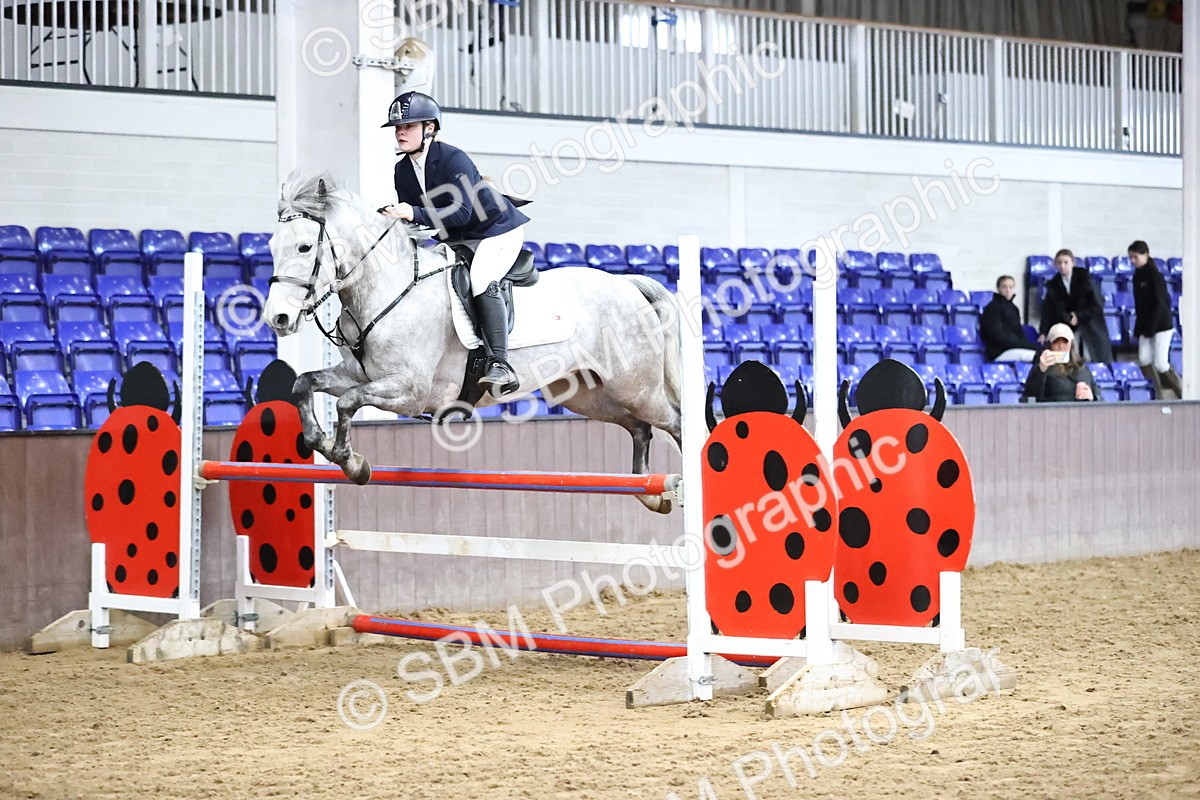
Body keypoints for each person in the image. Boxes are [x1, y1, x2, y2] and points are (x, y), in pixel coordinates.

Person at [378, 91, 530, 396]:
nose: (400, 133)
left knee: (481, 278)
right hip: (458, 237)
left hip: (495, 230)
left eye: (408, 126)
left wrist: (414, 211)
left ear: (430, 128)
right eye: (398, 128)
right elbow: (421, 221)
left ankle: (500, 363)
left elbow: (461, 212)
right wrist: (396, 221)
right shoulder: (402, 170)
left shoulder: (452, 158)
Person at [1039, 248, 1113, 365]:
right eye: (1059, 263)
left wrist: (1079, 316)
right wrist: (1043, 331)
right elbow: (1048, 310)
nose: (1062, 266)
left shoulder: (1086, 280)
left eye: (1066, 262)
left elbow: (1097, 304)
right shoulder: (1053, 285)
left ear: (1073, 263)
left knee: (1095, 356)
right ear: (1055, 264)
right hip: (1067, 324)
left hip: (1090, 322)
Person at [1128, 240, 1182, 399]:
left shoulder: (1154, 275)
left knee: (1160, 363)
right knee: (1144, 359)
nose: (1132, 261)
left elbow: (1160, 302)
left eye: (1135, 257)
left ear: (1146, 255)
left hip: (1161, 324)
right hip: (1146, 323)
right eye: (1131, 257)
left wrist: (1152, 326)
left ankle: (1181, 392)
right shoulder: (1137, 275)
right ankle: (1157, 395)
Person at [1022, 323, 1102, 403]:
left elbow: (1100, 399)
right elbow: (1030, 398)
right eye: (1056, 342)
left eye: (1065, 341)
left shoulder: (1083, 369)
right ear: (1050, 345)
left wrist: (1092, 397)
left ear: (1071, 344)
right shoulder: (1040, 369)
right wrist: (1041, 370)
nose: (1061, 346)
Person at [980, 275, 1037, 362]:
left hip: (1014, 348)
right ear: (998, 288)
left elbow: (1019, 332)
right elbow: (997, 335)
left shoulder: (1014, 308)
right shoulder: (992, 308)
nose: (1008, 290)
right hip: (999, 352)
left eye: (1011, 287)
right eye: (1004, 287)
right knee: (1036, 356)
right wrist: (1021, 344)